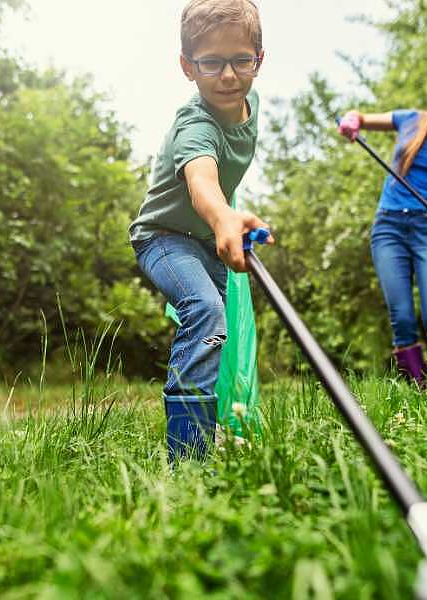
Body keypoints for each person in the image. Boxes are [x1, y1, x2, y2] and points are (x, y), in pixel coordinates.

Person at [129, 0, 273, 459]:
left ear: (259, 59)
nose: (228, 75)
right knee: (206, 312)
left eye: (241, 60)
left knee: (218, 333)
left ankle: (215, 435)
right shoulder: (194, 123)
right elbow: (202, 180)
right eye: (211, 62)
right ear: (187, 67)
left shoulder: (250, 102)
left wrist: (226, 222)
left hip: (208, 242)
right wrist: (223, 215)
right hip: (164, 238)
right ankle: (188, 460)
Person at [338, 57, 427, 388]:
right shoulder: (409, 120)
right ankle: (419, 392)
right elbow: (358, 117)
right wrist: (350, 120)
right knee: (401, 320)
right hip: (388, 229)